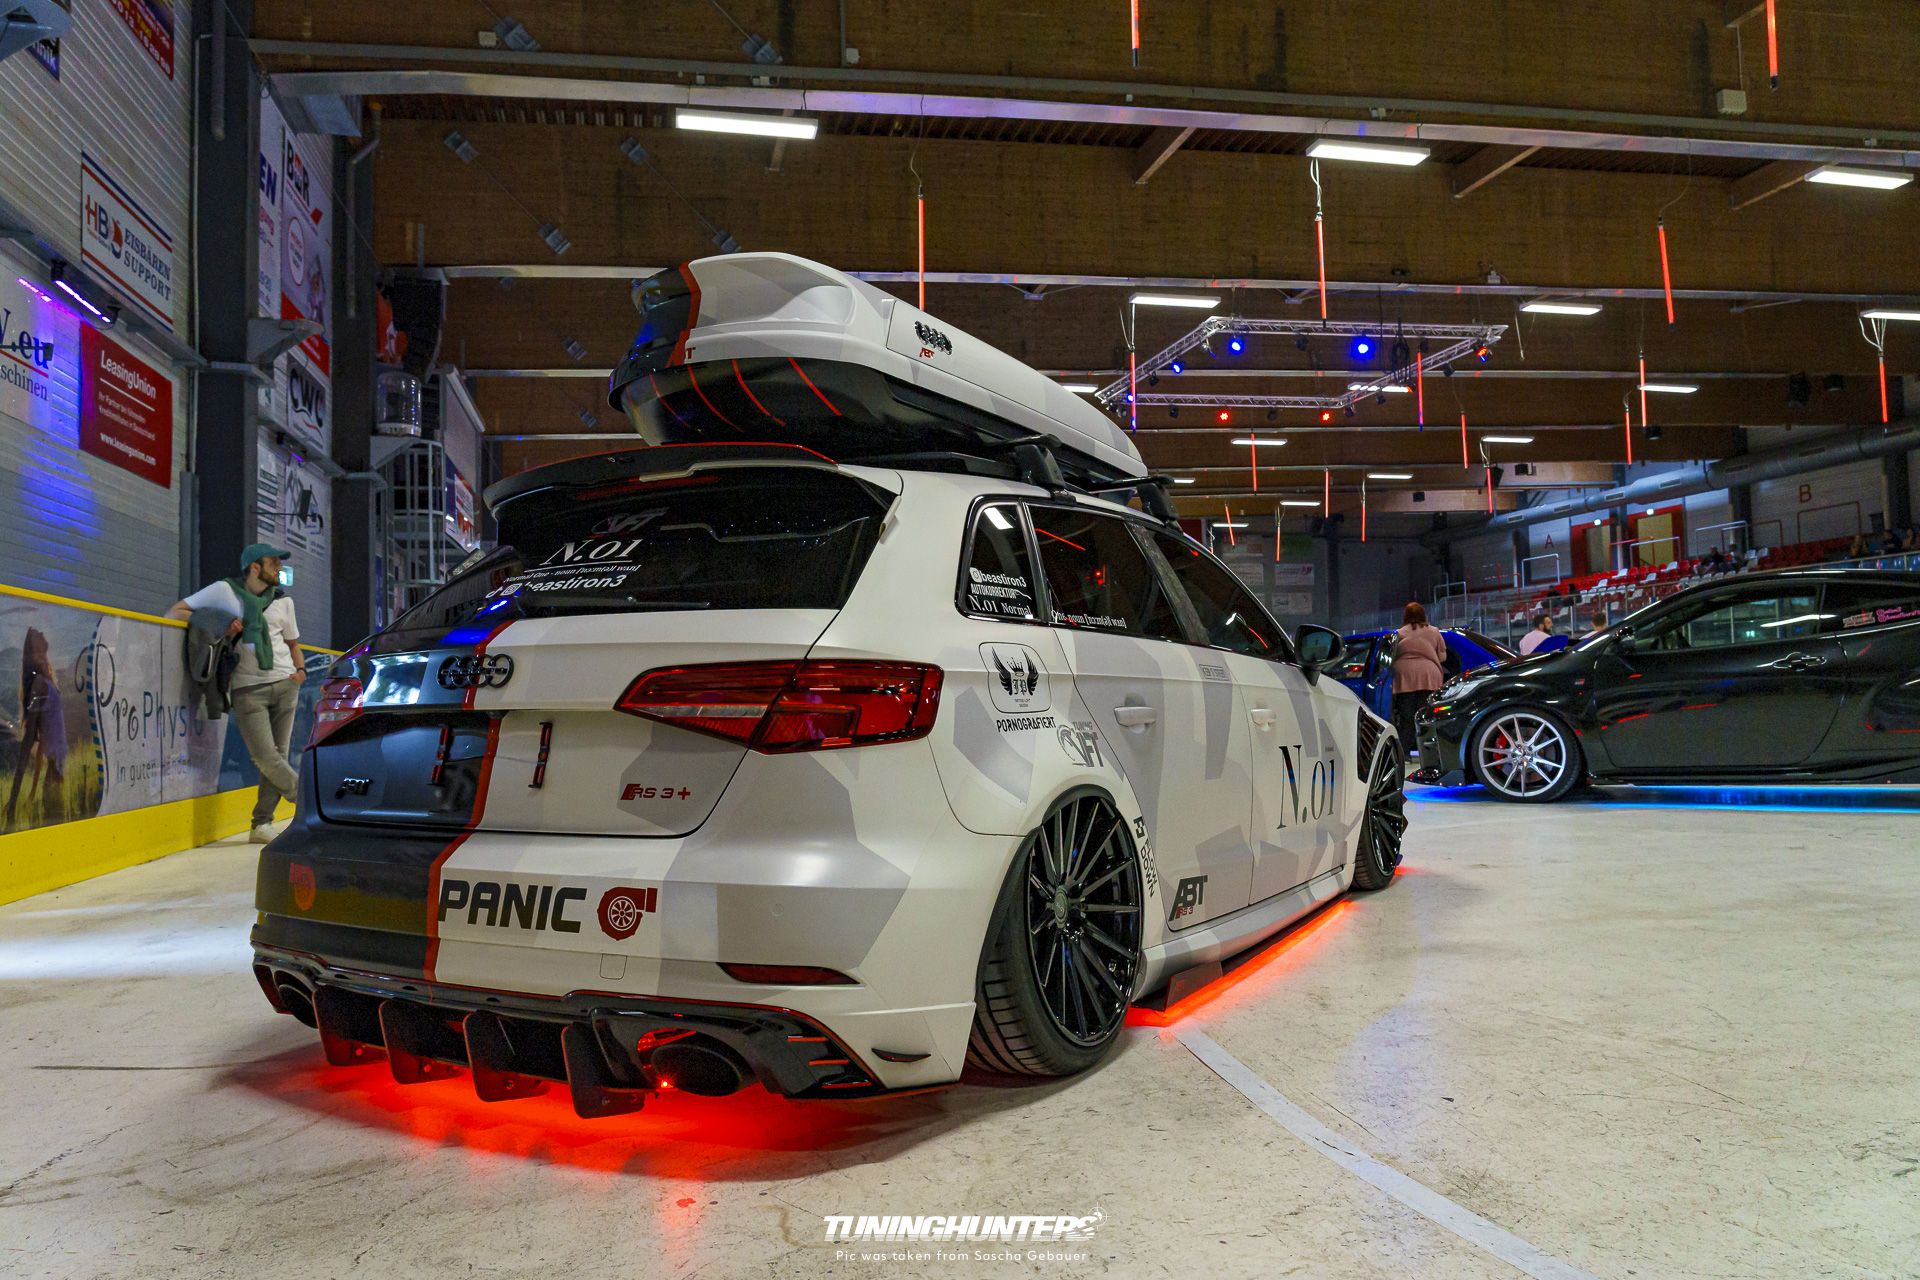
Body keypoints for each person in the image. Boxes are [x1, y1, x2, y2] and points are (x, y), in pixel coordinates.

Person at [167, 544, 305, 842]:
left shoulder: (283, 601)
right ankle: (307, 800)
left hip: (285, 683)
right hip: (247, 688)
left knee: (278, 756)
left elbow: (293, 644)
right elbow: (176, 611)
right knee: (265, 756)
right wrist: (219, 623)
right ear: (255, 567)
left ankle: (261, 823)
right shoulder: (225, 591)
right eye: (273, 563)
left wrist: (300, 671)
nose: (279, 568)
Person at [3, 628, 68, 829]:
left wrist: (31, 789)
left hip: (58, 769)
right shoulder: (39, 684)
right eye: (35, 636)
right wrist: (13, 802)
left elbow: (41, 745)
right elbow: (29, 741)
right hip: (54, 771)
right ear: (33, 652)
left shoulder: (47, 679)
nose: (39, 631)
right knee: (55, 821)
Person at [1389, 602, 1447, 761]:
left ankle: (1404, 753)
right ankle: (1429, 753)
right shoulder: (1434, 631)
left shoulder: (1399, 633)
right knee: (1426, 716)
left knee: (1406, 717)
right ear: (1423, 615)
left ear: (1405, 616)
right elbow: (1442, 657)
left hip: (1404, 677)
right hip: (1429, 675)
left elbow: (1391, 657)